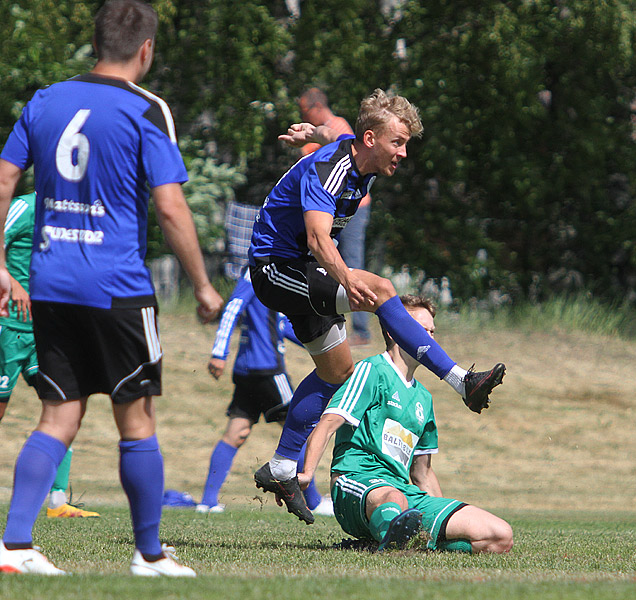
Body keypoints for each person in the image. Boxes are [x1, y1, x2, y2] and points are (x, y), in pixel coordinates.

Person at [0, 0, 223, 576]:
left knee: (57, 415)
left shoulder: (45, 100)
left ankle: (15, 546)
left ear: (95, 42)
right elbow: (171, 208)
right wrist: (202, 285)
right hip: (117, 286)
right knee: (137, 417)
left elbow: (4, 179)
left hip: (50, 285)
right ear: (145, 49)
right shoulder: (146, 109)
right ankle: (149, 555)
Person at [248, 89, 506, 524]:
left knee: (338, 374)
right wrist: (348, 279)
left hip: (305, 269)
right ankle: (463, 381)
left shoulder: (358, 156)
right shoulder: (333, 168)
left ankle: (280, 467)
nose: (403, 153)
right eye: (397, 142)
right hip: (276, 268)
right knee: (383, 289)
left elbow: (336, 131)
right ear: (370, 139)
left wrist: (313, 131)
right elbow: (316, 239)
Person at [297, 295, 513, 552]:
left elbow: (422, 473)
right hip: (357, 482)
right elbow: (328, 423)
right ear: (394, 330)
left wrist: (439, 516)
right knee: (393, 499)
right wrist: (307, 475)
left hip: (402, 493)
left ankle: (391, 540)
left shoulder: (424, 398)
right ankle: (394, 536)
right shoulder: (372, 370)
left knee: (499, 536)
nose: (429, 339)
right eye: (422, 331)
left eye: (432, 332)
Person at [199, 267, 332, 516]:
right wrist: (219, 352)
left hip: (247, 370)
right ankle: (313, 500)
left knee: (236, 432)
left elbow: (280, 325)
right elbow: (232, 308)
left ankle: (207, 501)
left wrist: (325, 346)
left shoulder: (271, 278)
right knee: (300, 428)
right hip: (269, 370)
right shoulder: (254, 274)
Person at [0, 191, 99, 519]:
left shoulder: (74, 212)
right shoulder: (24, 206)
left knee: (66, 404)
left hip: (48, 330)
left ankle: (57, 501)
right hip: (8, 327)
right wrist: (9, 279)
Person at [297, 88, 373, 347]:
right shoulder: (318, 132)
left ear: (315, 107)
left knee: (351, 261)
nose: (302, 115)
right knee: (326, 260)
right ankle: (333, 318)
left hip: (353, 207)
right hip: (327, 206)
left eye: (304, 110)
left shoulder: (338, 126)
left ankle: (361, 330)